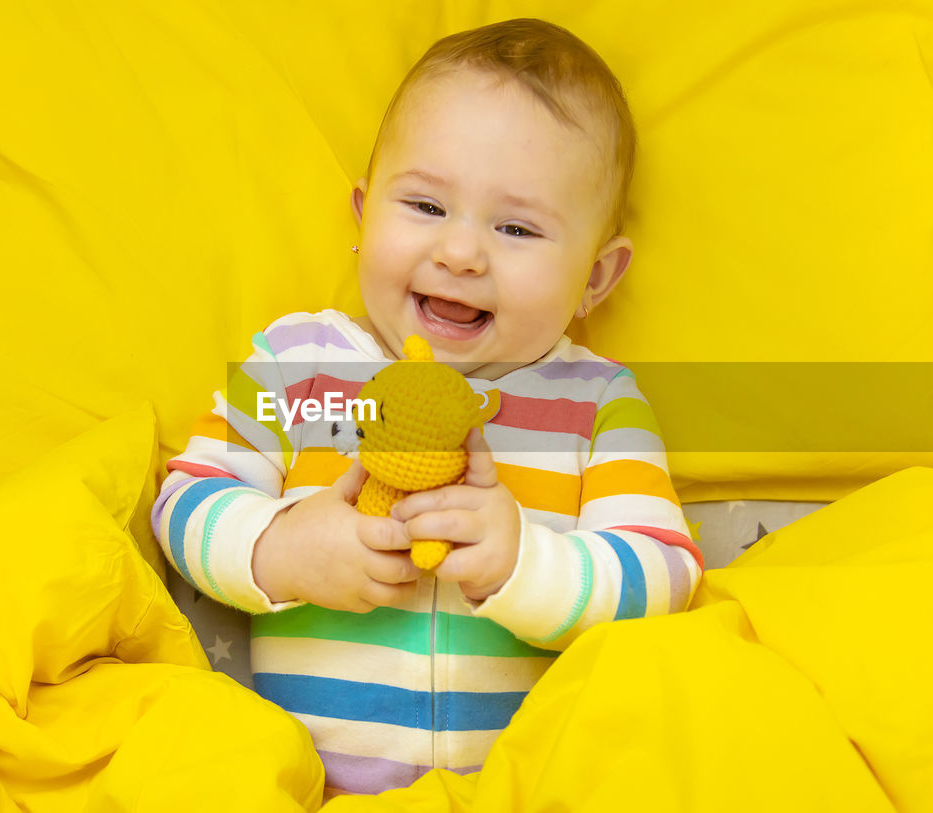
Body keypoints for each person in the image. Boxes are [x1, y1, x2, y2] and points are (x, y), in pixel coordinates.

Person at [152, 18, 703, 798]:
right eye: (425, 206)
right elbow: (183, 504)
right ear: (363, 213)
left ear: (595, 280)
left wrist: (526, 566)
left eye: (516, 227)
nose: (461, 253)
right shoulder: (298, 364)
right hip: (305, 782)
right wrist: (282, 547)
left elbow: (665, 570)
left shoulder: (595, 402)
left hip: (523, 783)